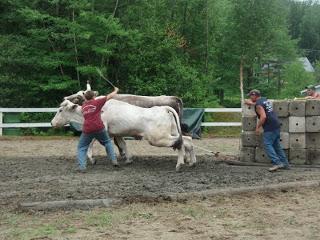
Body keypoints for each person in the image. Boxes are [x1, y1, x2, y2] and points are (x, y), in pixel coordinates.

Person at [244, 89, 290, 172]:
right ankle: (285, 164)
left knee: (267, 144)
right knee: (277, 146)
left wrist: (258, 127)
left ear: (254, 95)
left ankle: (277, 163)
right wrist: (251, 103)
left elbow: (263, 116)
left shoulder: (258, 105)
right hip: (276, 124)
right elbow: (260, 105)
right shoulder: (264, 100)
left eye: (250, 96)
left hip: (270, 126)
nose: (250, 98)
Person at [77, 87, 119, 173]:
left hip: (87, 129)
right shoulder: (97, 102)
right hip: (99, 127)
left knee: (81, 147)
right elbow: (109, 96)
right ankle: (114, 160)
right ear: (93, 97)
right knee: (107, 142)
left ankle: (82, 167)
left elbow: (87, 102)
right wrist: (116, 90)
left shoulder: (83, 106)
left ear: (85, 98)